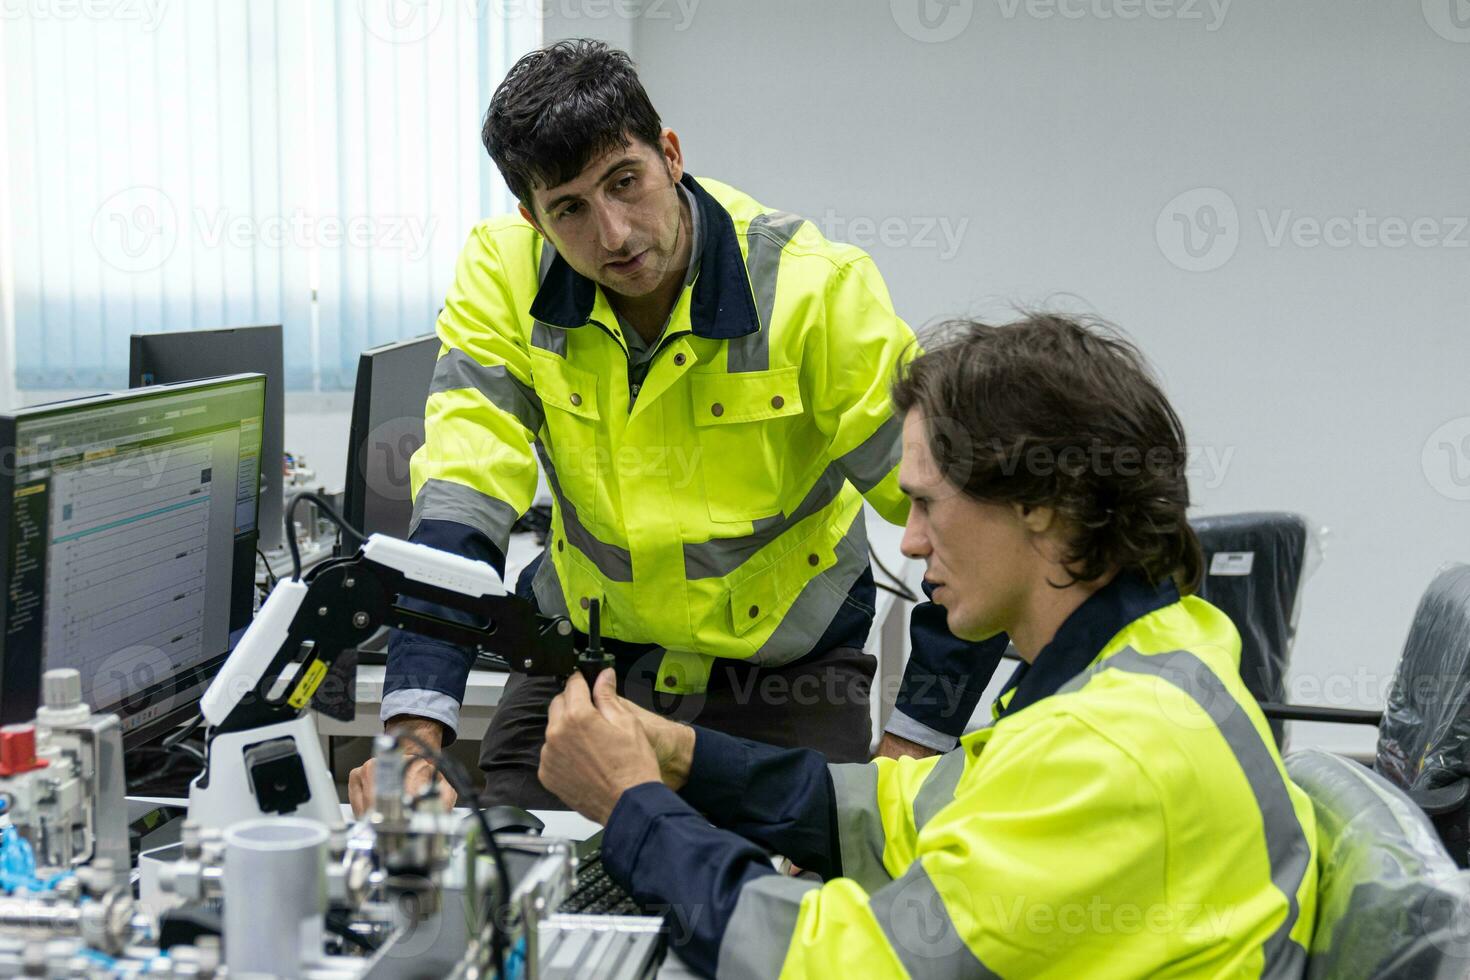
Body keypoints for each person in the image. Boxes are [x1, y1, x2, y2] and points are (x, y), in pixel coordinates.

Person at [537, 313, 1320, 978]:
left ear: (1042, 506)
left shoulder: (1109, 750)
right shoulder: (1163, 643)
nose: (908, 544)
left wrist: (632, 808)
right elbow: (900, 814)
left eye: (925, 505)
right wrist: (680, 756)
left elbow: (843, 964)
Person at [347, 40, 995, 815]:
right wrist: (412, 737)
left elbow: (972, 518)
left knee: (782, 910)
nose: (615, 235)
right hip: (589, 662)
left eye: (627, 183)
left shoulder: (813, 292)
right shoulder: (504, 276)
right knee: (510, 867)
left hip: (784, 676)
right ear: (532, 218)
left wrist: (911, 746)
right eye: (571, 210)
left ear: (671, 155)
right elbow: (461, 504)